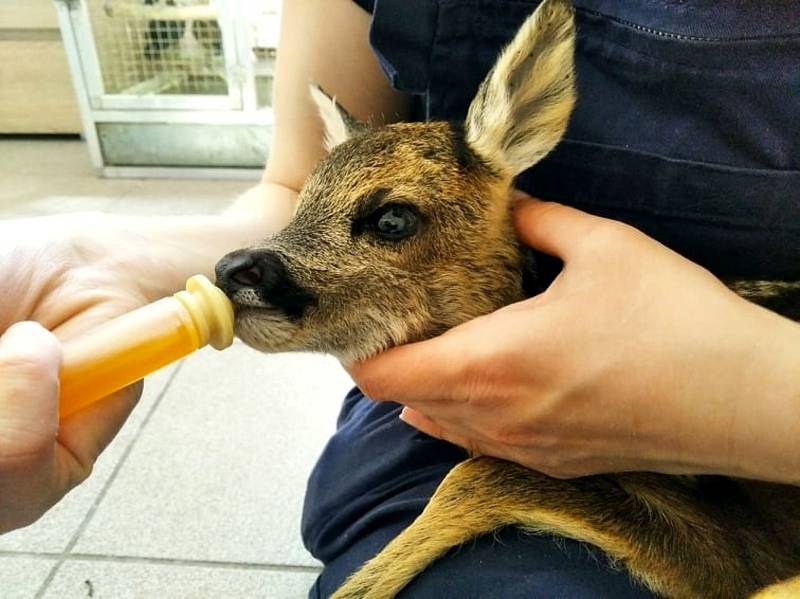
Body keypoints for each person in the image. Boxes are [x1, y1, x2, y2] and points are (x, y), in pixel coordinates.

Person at [0, 0, 797, 596]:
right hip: (442, 417)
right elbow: (289, 193)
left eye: (390, 222)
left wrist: (736, 400)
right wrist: (94, 262)